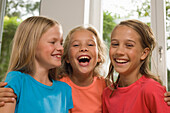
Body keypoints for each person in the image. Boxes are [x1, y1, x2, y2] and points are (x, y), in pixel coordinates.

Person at [0, 16, 73, 113]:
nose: (60, 48)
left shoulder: (64, 90)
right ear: (32, 45)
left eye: (61, 43)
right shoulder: (17, 80)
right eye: (53, 42)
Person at [102, 19, 170, 113]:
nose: (119, 51)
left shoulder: (152, 90)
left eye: (129, 45)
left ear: (144, 53)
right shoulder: (107, 93)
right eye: (115, 44)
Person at [56, 25, 107, 113]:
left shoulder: (106, 86)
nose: (83, 48)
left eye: (90, 44)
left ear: (99, 56)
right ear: (67, 57)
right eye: (76, 45)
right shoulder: (58, 86)